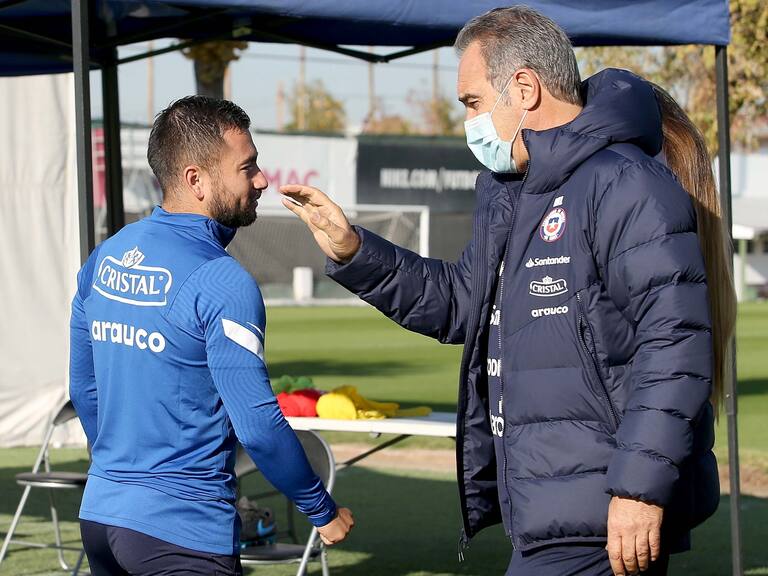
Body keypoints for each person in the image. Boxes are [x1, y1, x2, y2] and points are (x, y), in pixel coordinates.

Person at [278, 6, 724, 576]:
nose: (468, 122)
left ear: (525, 89)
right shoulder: (516, 191)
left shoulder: (622, 183)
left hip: (601, 515)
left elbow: (676, 345)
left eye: (472, 102)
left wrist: (638, 489)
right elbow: (462, 304)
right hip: (552, 510)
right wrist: (354, 253)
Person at [69, 96, 353, 576]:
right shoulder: (223, 281)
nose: (261, 180)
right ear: (195, 180)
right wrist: (320, 509)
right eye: (247, 167)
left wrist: (124, 480)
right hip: (180, 532)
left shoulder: (106, 255)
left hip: (102, 517)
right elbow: (258, 426)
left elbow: (84, 390)